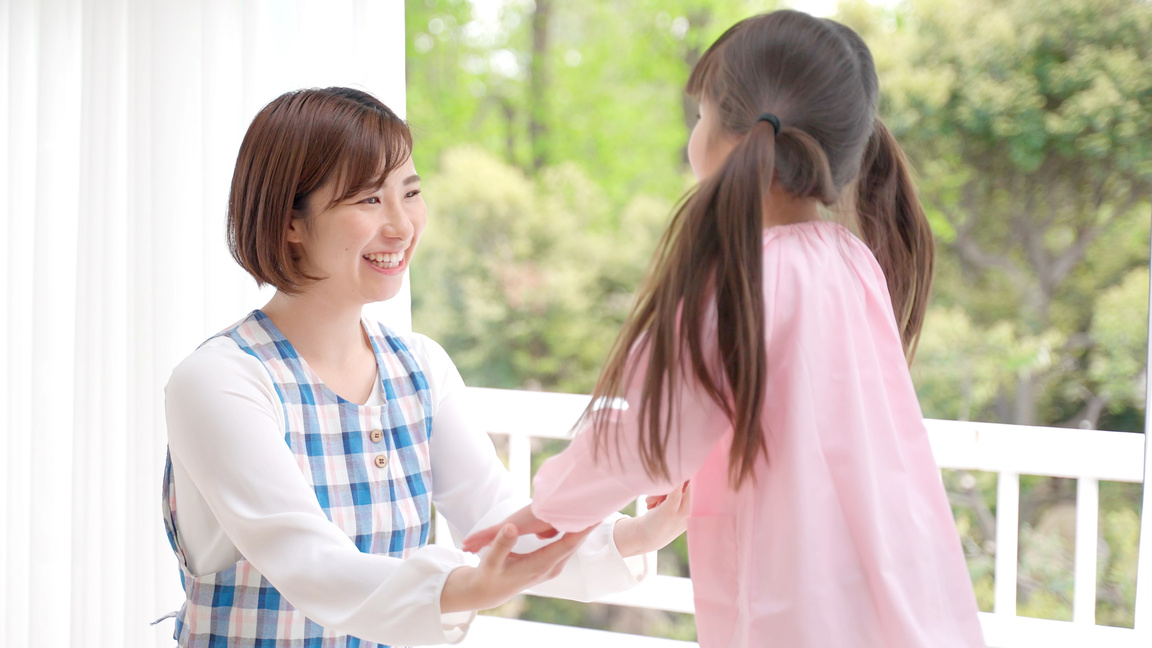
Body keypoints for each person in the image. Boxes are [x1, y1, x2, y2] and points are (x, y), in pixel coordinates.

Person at [463, 10, 987, 648]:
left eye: (703, 115)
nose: (696, 133)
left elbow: (651, 438)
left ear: (735, 138)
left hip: (800, 603)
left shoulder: (738, 278)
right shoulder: (850, 261)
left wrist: (549, 510)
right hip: (898, 587)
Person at [161, 86, 690, 647]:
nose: (402, 226)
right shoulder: (219, 380)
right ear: (290, 220)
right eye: (368, 200)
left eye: (410, 193)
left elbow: (498, 521)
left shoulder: (419, 367)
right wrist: (462, 588)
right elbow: (307, 562)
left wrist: (640, 533)